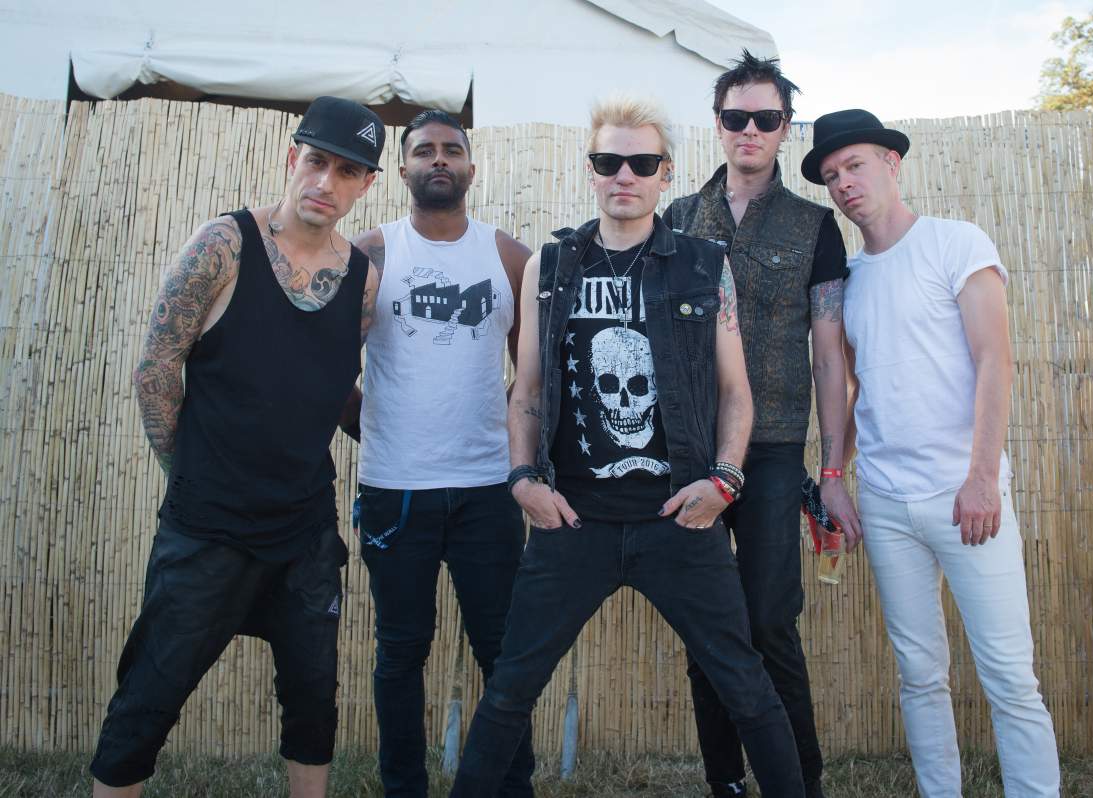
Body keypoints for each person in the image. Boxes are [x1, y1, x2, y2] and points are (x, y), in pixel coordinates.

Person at [446, 94, 804, 798]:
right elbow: (526, 389)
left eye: (642, 162)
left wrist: (725, 481)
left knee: (746, 684)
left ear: (666, 175)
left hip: (680, 517)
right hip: (572, 519)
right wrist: (522, 479)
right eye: (609, 161)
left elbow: (736, 392)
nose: (625, 176)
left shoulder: (704, 265)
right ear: (591, 170)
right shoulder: (548, 268)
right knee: (512, 687)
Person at [89, 96, 385, 798]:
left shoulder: (362, 284)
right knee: (150, 695)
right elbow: (157, 367)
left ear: (367, 184)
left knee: (314, 697)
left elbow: (325, 383)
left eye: (348, 171)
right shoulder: (223, 245)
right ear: (293, 158)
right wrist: (187, 476)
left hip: (304, 530)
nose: (326, 182)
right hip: (209, 527)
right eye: (316, 161)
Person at [806, 108, 1060, 797]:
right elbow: (854, 386)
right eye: (831, 176)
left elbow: (995, 363)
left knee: (1009, 674)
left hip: (964, 495)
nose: (844, 184)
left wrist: (982, 477)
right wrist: (834, 477)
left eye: (855, 165)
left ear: (892, 161)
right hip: (887, 503)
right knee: (919, 674)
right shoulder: (850, 279)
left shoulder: (957, 243)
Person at [662, 50, 858, 798]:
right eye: (735, 116)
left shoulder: (815, 227)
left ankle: (800, 782)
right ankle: (726, 783)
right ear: (717, 125)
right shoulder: (678, 218)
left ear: (784, 129)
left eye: (765, 118)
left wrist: (833, 470)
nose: (749, 129)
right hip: (693, 449)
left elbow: (831, 358)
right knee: (705, 626)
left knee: (771, 620)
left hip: (774, 451)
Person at [345, 109, 534, 798]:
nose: (439, 159)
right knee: (400, 654)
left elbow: (532, 377)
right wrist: (388, 431)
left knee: (503, 654)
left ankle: (512, 786)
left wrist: (514, 450)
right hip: (396, 490)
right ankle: (405, 789)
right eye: (424, 150)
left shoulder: (507, 256)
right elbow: (334, 370)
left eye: (452, 149)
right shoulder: (373, 254)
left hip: (487, 488)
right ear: (403, 169)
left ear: (470, 169)